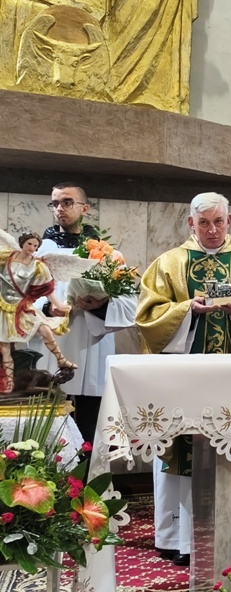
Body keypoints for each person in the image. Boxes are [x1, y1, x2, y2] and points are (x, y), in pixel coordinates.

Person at [136, 192, 231, 566]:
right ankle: (178, 538)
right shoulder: (169, 263)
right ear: (191, 223)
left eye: (219, 222)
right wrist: (187, 310)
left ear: (229, 221)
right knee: (181, 452)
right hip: (184, 382)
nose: (212, 230)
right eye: (204, 223)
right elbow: (148, 317)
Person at [30, 182, 137, 444]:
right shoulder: (36, 255)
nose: (60, 208)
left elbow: (129, 306)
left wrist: (99, 306)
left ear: (85, 208)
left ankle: (88, 471)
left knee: (89, 429)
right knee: (48, 431)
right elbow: (16, 301)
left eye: (67, 202)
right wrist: (47, 308)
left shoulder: (108, 255)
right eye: (55, 203)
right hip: (50, 350)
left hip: (92, 347)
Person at [0, 231, 75, 393]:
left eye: (35, 245)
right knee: (5, 347)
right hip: (3, 306)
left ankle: (61, 360)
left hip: (22, 306)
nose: (32, 248)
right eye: (29, 244)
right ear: (22, 243)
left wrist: (58, 305)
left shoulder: (38, 266)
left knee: (44, 328)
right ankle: (9, 383)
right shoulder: (7, 257)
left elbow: (47, 289)